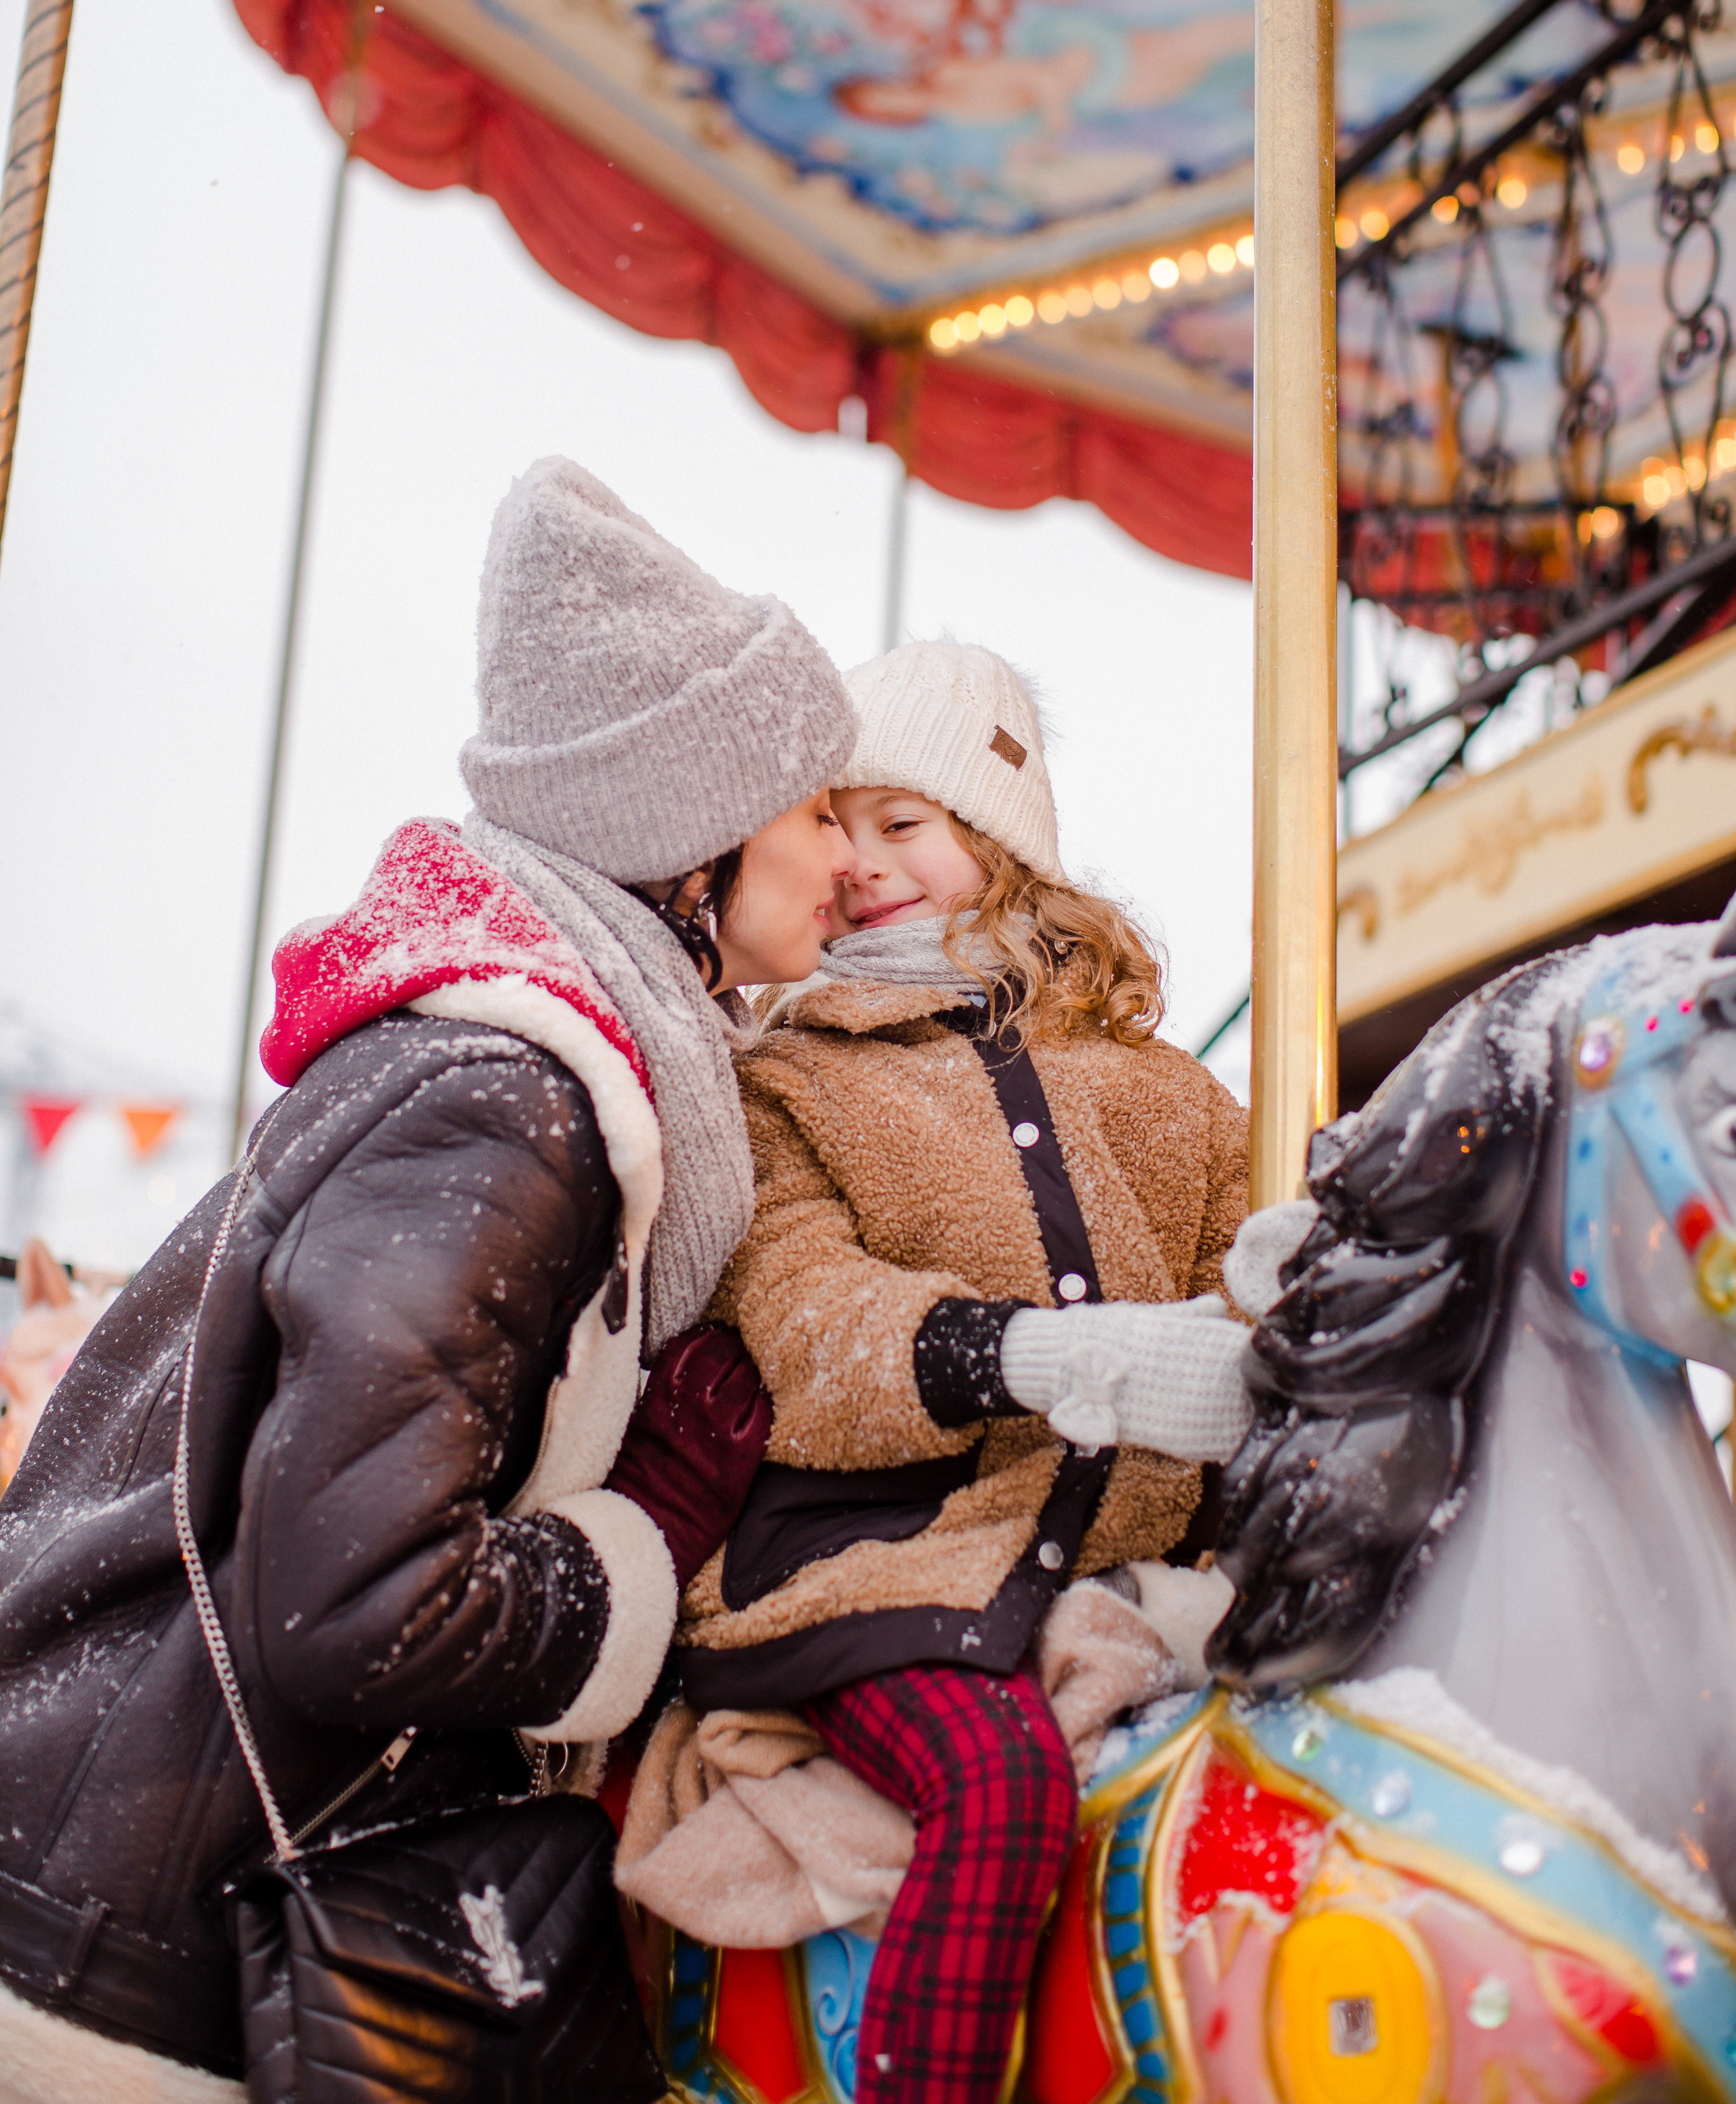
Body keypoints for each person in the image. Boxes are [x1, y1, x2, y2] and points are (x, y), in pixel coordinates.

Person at [0, 458, 856, 2104]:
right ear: (694, 833)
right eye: (816, 807)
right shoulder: (509, 1105)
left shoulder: (492, 1064)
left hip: (118, 1848)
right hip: (145, 1940)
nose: (843, 858)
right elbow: (358, 1603)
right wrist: (632, 1555)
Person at [677, 639, 1251, 2104]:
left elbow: (1243, 1281)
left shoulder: (1166, 1093)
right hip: (872, 1570)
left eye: (904, 824)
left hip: (1113, 1567)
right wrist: (1043, 1354)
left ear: (998, 848)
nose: (864, 863)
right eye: (836, 824)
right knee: (996, 1793)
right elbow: (809, 1321)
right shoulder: (782, 1083)